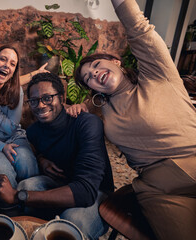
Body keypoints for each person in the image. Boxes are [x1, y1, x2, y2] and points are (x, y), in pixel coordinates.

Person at [74, 0, 196, 239]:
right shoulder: (104, 106)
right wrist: (78, 107)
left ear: (116, 61)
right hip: (159, 190)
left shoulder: (157, 75)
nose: (95, 73)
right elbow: (87, 106)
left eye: (97, 64)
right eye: (88, 77)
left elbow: (139, 28)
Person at [0, 72, 114, 239]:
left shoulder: (87, 123)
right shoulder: (34, 131)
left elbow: (85, 191)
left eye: (47, 98)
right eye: (34, 100)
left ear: (62, 98)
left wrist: (18, 196)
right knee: (26, 185)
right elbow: (35, 148)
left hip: (95, 192)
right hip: (62, 182)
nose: (40, 105)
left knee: (70, 222)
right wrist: (41, 159)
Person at [0, 46, 39, 204]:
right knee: (0, 169)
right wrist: (0, 147)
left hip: (14, 137)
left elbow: (11, 128)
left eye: (12, 64)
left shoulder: (16, 90)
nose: (6, 65)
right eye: (3, 59)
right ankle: (10, 209)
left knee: (25, 160)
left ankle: (33, 204)